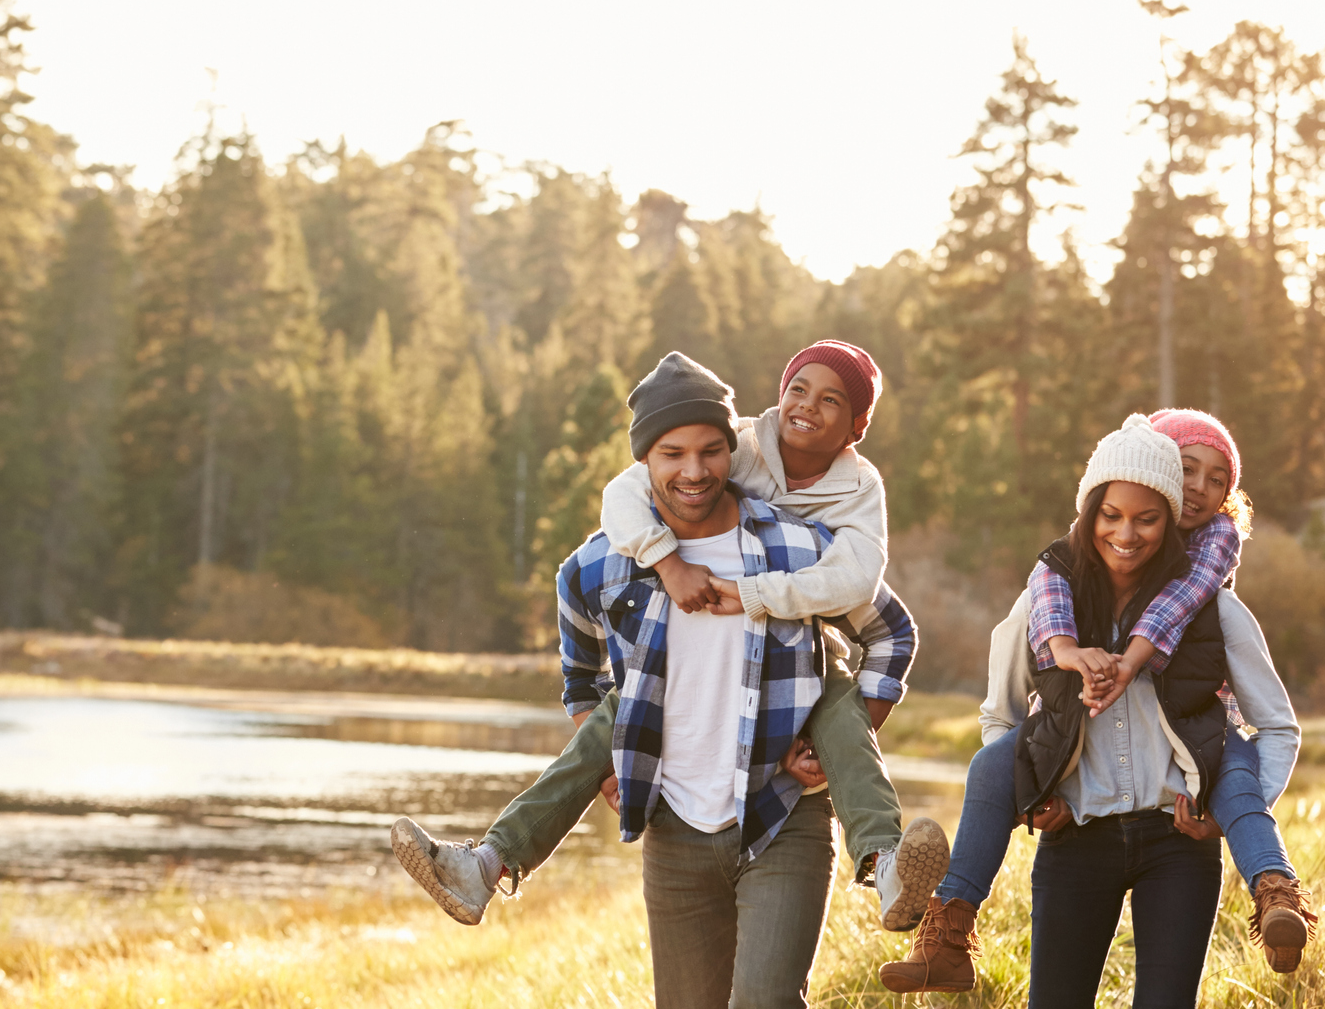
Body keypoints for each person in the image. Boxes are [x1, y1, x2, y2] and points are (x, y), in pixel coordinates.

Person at [533, 355, 917, 1009]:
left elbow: (889, 629)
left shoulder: (790, 546)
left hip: (781, 813)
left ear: (728, 451)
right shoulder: (609, 557)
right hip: (672, 820)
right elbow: (576, 637)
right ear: (645, 464)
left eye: (710, 449)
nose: (695, 470)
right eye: (672, 454)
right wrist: (601, 738)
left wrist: (847, 727)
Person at [391, 345, 945, 933]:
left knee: (840, 713)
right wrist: (666, 563)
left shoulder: (854, 494)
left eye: (832, 399)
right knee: (612, 719)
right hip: (678, 673)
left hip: (804, 661)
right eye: (799, 389)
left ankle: (886, 864)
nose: (807, 407)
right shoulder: (739, 446)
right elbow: (625, 495)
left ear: (858, 426)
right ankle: (485, 865)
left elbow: (867, 589)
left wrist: (833, 734)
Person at [978, 418, 1301, 1009]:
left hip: (1173, 845)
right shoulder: (1048, 600)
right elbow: (998, 718)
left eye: (1151, 514)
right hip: (1076, 841)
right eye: (1114, 515)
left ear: (1170, 517)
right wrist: (1029, 794)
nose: (1129, 531)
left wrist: (1225, 810)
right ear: (1095, 510)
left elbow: (1276, 728)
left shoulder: (1213, 611)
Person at [879, 408, 1318, 996]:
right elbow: (1004, 700)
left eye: (1218, 480)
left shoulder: (1209, 579)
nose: (1200, 490)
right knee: (990, 765)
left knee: (1237, 775)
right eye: (1187, 471)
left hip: (1194, 756)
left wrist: (1131, 662)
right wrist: (1037, 791)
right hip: (1077, 796)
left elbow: (1198, 624)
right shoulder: (1056, 576)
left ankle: (1275, 892)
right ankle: (949, 930)